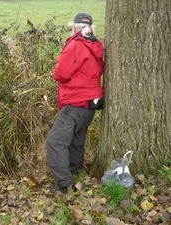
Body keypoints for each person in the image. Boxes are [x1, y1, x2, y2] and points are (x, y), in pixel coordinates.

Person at [46, 12, 104, 194]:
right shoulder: (95, 45)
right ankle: (76, 171)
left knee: (55, 141)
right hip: (90, 102)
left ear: (74, 28)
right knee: (76, 140)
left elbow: (60, 74)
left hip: (76, 100)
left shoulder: (76, 45)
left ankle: (65, 184)